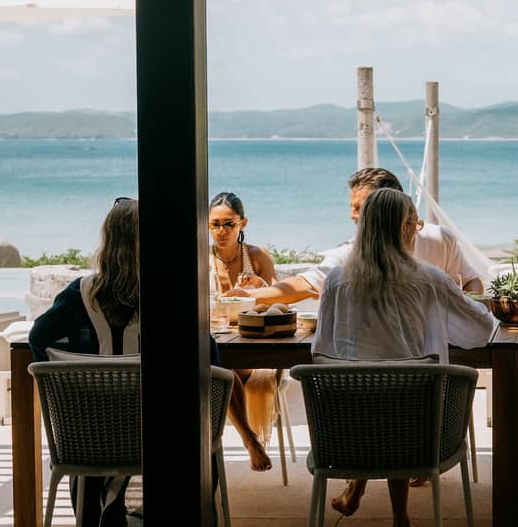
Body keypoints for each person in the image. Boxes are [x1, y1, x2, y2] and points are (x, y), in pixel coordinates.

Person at [312, 187, 497, 527]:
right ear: (404, 229)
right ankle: (400, 523)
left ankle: (380, 505)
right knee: (402, 395)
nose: (417, 229)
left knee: (379, 396)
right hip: (420, 436)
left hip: (345, 436)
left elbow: (322, 351)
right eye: (415, 223)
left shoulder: (336, 281)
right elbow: (480, 329)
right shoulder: (428, 278)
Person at [29, 197, 145, 527]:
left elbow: (39, 337)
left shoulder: (80, 294)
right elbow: (204, 351)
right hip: (146, 433)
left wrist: (66, 389)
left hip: (83, 434)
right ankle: (202, 525)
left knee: (105, 421)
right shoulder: (167, 292)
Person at [230, 167, 484, 306]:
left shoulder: (440, 241)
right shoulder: (349, 255)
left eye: (359, 208)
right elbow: (302, 284)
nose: (352, 216)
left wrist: (464, 308)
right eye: (351, 207)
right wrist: (249, 297)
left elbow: (471, 281)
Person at [206, 191, 278, 473]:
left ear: (242, 224)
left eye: (229, 224)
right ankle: (251, 440)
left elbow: (279, 305)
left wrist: (260, 287)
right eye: (215, 224)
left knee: (226, 370)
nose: (221, 231)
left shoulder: (257, 257)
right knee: (224, 368)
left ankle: (249, 441)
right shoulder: (201, 258)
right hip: (217, 340)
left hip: (252, 341)